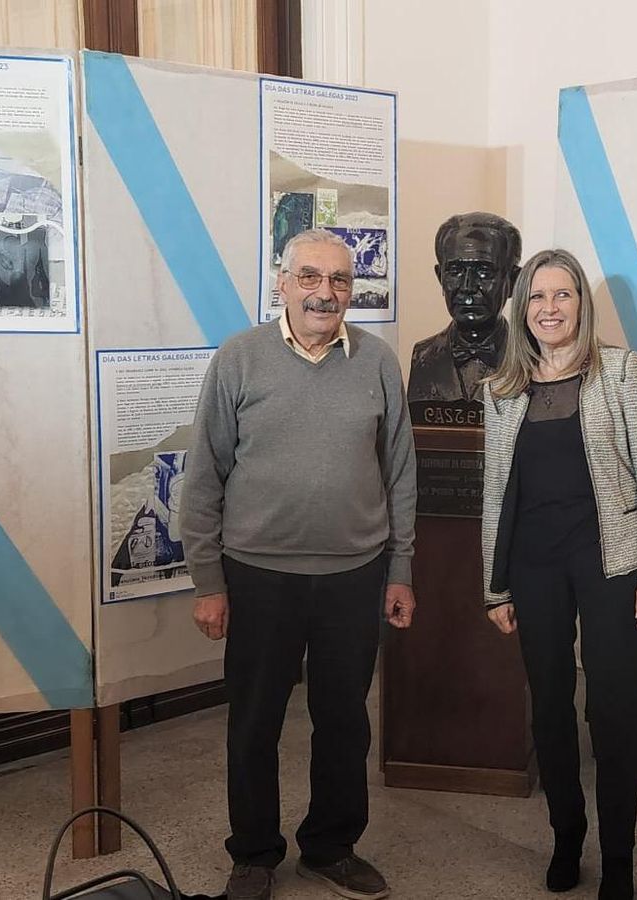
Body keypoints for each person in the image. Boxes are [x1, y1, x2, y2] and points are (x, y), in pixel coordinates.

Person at [181, 228, 417, 900]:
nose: (326, 293)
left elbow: (399, 472)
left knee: (344, 720)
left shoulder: (375, 361)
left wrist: (399, 568)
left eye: (340, 280)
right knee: (254, 720)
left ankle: (331, 846)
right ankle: (253, 853)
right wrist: (209, 582)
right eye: (310, 277)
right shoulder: (239, 359)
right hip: (258, 575)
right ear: (280, 284)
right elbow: (204, 477)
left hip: (355, 572)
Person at [481, 249, 637, 900]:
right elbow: (495, 492)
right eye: (537, 297)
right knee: (551, 712)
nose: (550, 308)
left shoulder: (617, 371)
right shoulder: (503, 388)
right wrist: (495, 584)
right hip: (534, 564)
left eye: (562, 296)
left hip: (611, 560)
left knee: (613, 712)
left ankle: (618, 859)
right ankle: (568, 835)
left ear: (581, 307)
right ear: (522, 309)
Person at [408, 212, 522, 408]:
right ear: (440, 277)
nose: (467, 286)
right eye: (455, 271)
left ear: (513, 281)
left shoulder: (532, 359)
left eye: (484, 272)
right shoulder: (422, 356)